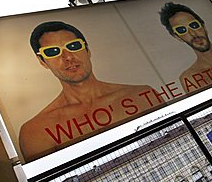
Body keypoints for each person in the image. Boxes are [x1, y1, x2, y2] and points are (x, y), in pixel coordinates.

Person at [19, 21, 162, 162]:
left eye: (74, 46)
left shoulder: (141, 95)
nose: (68, 57)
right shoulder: (35, 132)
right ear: (43, 62)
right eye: (52, 52)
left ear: (87, 50)